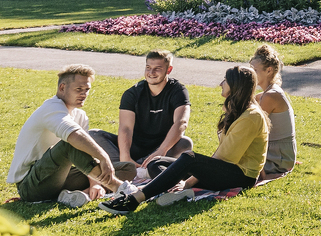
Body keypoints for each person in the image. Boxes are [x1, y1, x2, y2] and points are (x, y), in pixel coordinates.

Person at [100, 66, 268, 215]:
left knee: (189, 158)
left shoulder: (251, 117)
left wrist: (188, 182)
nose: (221, 84)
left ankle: (134, 200)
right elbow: (220, 154)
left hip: (241, 176)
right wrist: (187, 180)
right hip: (226, 168)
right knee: (157, 162)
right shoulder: (238, 111)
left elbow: (225, 157)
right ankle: (177, 191)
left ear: (236, 85)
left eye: (225, 80)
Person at [8, 65, 123, 209]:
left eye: (87, 90)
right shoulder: (51, 108)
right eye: (78, 89)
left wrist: (95, 184)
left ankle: (78, 194)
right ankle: (121, 189)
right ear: (62, 88)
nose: (84, 94)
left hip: (59, 177)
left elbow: (85, 152)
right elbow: (73, 136)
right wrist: (103, 157)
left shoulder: (80, 116)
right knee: (69, 144)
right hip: (31, 185)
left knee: (126, 168)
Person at [88, 50, 194, 182]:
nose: (151, 73)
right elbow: (125, 127)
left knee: (185, 143)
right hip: (134, 147)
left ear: (169, 69)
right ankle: (137, 169)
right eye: (148, 68)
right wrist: (125, 157)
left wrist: (161, 151)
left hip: (162, 150)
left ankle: (130, 171)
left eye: (157, 69)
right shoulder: (133, 93)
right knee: (93, 135)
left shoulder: (178, 91)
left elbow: (181, 122)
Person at [249, 45, 296, 178]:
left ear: (269, 71)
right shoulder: (267, 93)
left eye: (255, 70)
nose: (251, 74)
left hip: (278, 159)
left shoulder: (270, 95)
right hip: (277, 152)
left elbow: (254, 128)